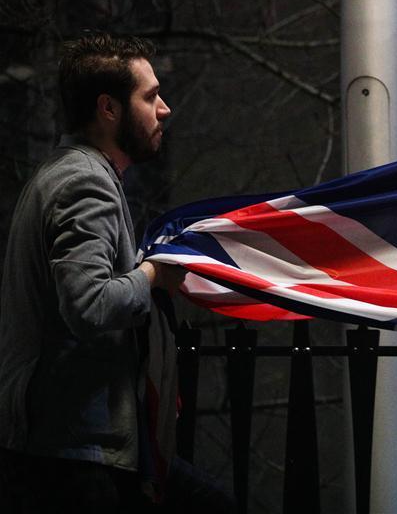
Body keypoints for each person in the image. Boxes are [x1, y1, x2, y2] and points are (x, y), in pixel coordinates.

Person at [0, 34, 231, 513]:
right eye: (149, 97)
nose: (164, 109)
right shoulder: (85, 182)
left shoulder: (67, 172)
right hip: (74, 449)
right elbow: (89, 305)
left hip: (66, 442)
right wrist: (152, 276)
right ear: (109, 108)